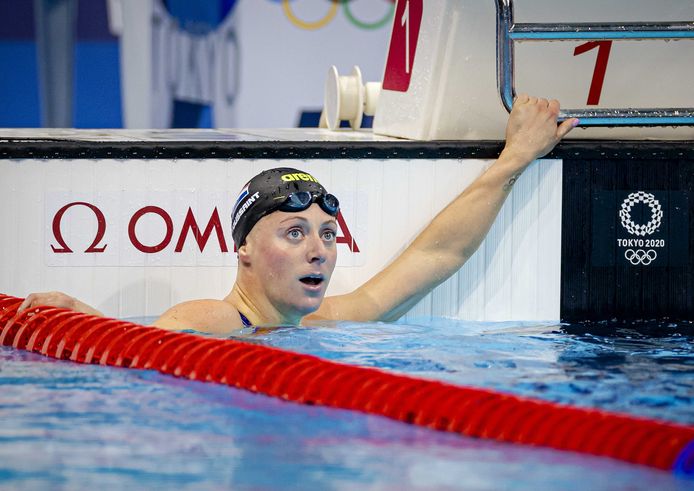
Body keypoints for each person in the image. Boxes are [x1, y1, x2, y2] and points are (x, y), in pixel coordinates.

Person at [19, 95, 578, 332]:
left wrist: (516, 158)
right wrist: (85, 319)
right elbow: (138, 349)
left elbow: (438, 254)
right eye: (294, 233)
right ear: (244, 249)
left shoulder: (329, 319)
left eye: (328, 235)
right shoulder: (218, 321)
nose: (319, 251)